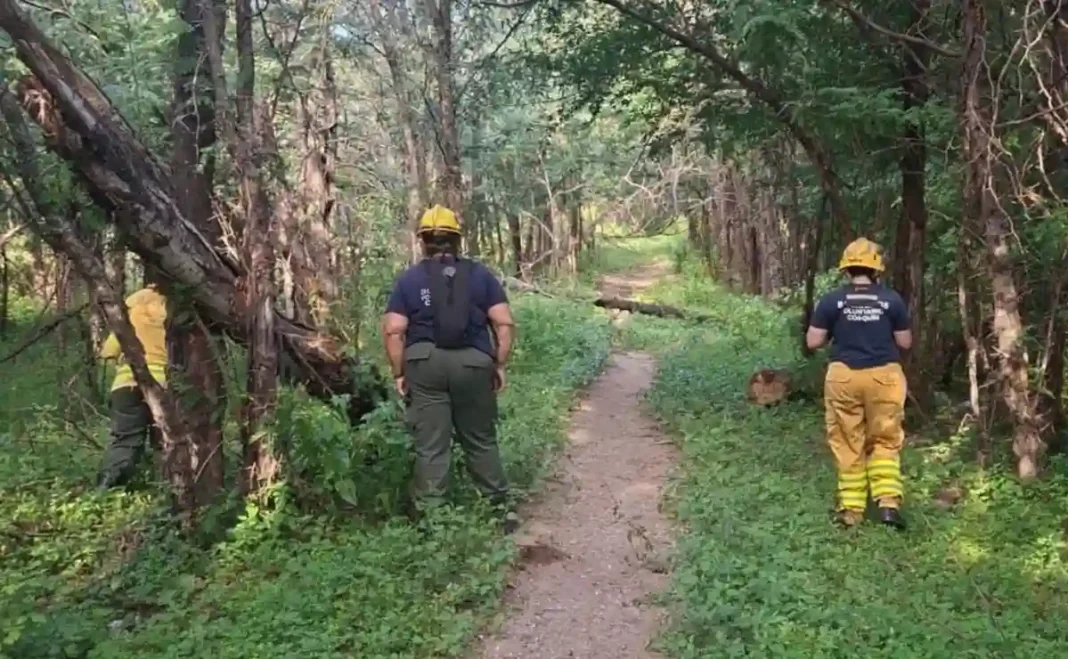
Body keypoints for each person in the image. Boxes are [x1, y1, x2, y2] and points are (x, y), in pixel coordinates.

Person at [381, 205, 518, 533]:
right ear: (457, 241)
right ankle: (500, 510)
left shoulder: (410, 279)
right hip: (473, 363)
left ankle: (432, 519)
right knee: (481, 438)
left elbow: (394, 330)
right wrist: (498, 364)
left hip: (424, 364)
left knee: (432, 444)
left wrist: (400, 372)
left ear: (423, 241)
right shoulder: (481, 276)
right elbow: (504, 323)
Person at [805, 238, 912, 530]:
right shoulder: (892, 300)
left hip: (844, 377)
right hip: (884, 377)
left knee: (847, 439)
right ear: (877, 270)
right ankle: (888, 504)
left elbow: (813, 341)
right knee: (885, 439)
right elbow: (905, 342)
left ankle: (851, 511)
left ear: (847, 269)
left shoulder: (831, 300)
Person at [96, 283, 168, 489]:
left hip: (125, 383)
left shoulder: (132, 303)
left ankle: (107, 487)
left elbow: (108, 352)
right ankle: (166, 489)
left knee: (126, 439)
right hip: (163, 382)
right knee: (166, 440)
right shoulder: (176, 305)